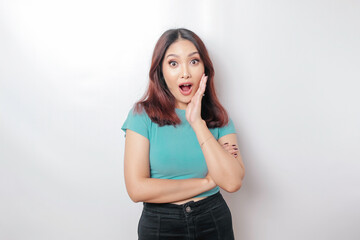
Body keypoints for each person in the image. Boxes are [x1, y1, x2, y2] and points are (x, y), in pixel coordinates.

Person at [121, 28, 245, 240]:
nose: (185, 72)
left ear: (205, 68)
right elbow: (136, 189)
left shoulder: (218, 118)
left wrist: (197, 123)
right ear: (160, 71)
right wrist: (206, 183)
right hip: (161, 225)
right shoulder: (142, 115)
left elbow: (232, 181)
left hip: (213, 221)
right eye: (173, 63)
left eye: (194, 61)